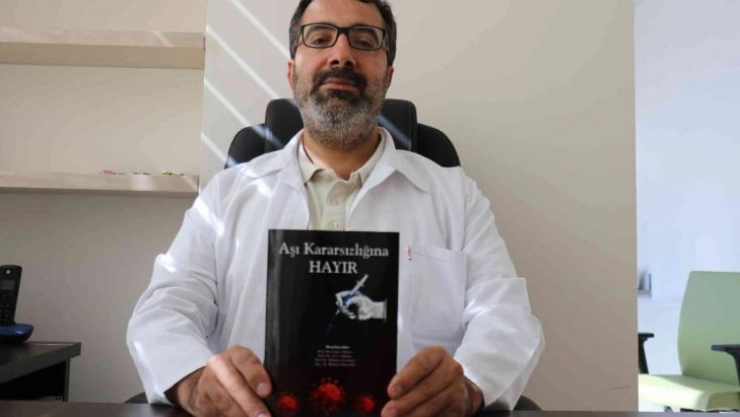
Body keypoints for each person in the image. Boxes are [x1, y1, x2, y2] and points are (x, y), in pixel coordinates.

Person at [126, 0, 544, 416]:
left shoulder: (454, 195)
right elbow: (165, 309)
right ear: (292, 72)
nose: (341, 54)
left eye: (364, 40)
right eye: (320, 37)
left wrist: (469, 387)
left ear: (388, 76)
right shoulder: (227, 194)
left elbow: (506, 316)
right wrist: (193, 383)